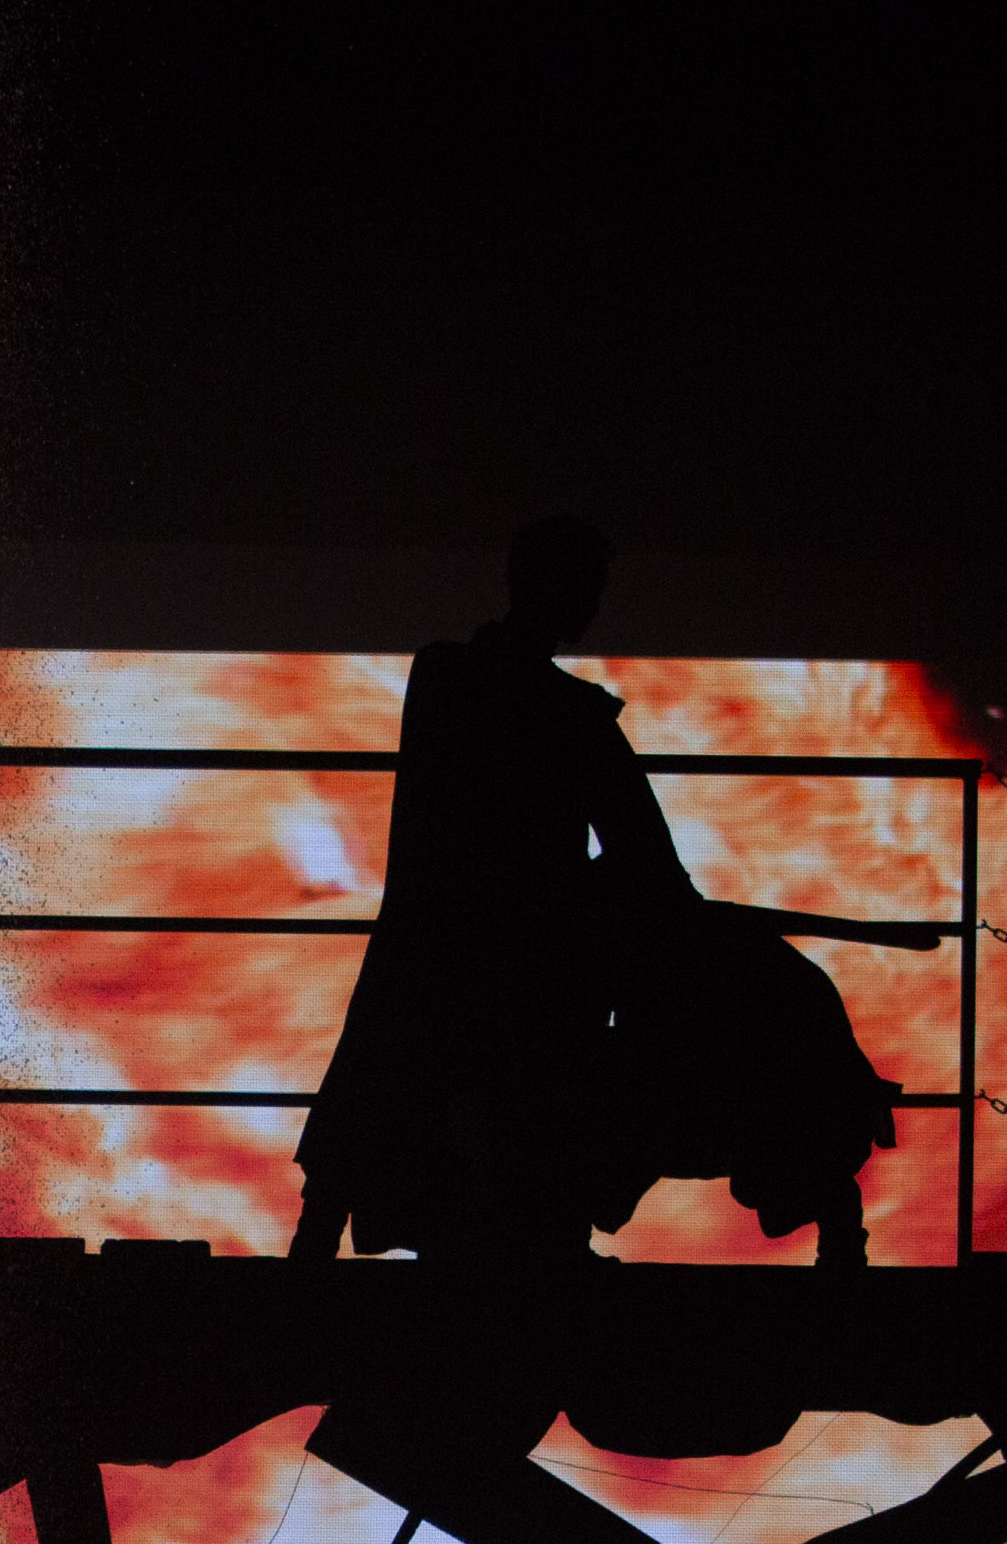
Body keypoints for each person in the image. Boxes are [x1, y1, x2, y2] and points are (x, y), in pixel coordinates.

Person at [292, 516, 887, 1267]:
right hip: (519, 957)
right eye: (584, 589)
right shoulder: (563, 714)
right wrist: (632, 900)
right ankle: (521, 1235)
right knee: (515, 1074)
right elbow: (644, 856)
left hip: (441, 935)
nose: (591, 607)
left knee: (388, 1060)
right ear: (544, 585)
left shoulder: (451, 680)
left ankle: (331, 1233)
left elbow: (633, 851)